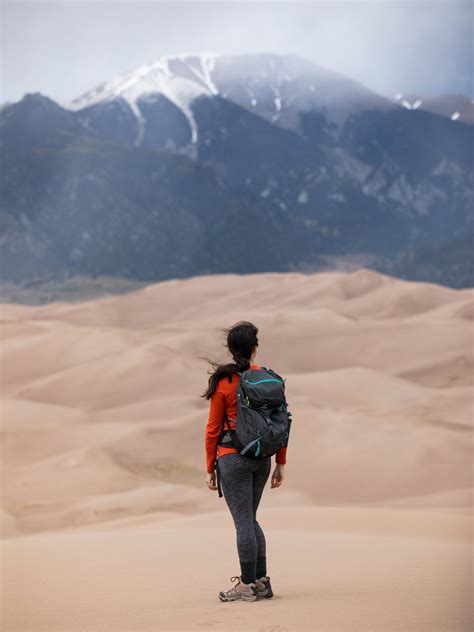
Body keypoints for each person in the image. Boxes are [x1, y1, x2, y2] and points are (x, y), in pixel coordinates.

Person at [201, 321, 287, 602]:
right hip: (262, 458)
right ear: (254, 348)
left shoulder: (224, 382)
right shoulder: (267, 379)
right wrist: (280, 463)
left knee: (243, 523)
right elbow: (282, 421)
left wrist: (209, 467)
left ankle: (247, 584)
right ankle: (261, 581)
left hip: (232, 458)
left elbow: (213, 429)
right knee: (250, 519)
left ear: (231, 348)